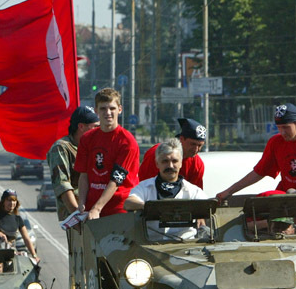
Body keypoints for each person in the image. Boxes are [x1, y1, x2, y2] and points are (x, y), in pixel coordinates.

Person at [216, 103, 296, 202]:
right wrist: (229, 191)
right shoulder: (275, 142)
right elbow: (259, 172)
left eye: (286, 127)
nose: (282, 132)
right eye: (279, 127)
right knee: (260, 201)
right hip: (287, 196)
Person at [74, 88, 139, 220]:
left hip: (119, 210)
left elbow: (116, 180)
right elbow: (84, 175)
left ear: (120, 109)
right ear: (96, 111)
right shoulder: (87, 139)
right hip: (92, 211)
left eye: (112, 108)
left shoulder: (127, 141)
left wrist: (97, 208)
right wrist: (81, 204)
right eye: (103, 109)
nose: (108, 113)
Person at [123, 138, 207, 239]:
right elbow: (129, 203)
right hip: (151, 247)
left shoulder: (193, 191)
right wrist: (150, 207)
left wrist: (200, 214)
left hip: (185, 248)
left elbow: (207, 206)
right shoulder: (145, 187)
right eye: (165, 161)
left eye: (175, 161)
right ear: (157, 163)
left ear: (181, 163)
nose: (170, 166)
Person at [46, 105, 100, 221]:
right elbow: (62, 185)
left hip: (96, 212)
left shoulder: (96, 147)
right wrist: (77, 215)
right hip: (75, 215)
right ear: (81, 126)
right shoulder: (61, 148)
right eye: (95, 127)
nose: (98, 130)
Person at [138, 118, 206, 188]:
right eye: (193, 144)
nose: (196, 149)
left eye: (200, 145)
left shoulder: (197, 164)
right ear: (182, 139)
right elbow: (144, 186)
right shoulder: (157, 154)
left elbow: (195, 195)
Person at [0, 189, 38, 260]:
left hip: (10, 254)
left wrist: (34, 255)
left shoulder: (18, 219)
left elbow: (26, 239)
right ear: (3, 201)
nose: (12, 203)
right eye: (9, 200)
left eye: (14, 200)